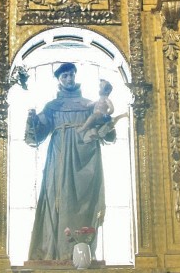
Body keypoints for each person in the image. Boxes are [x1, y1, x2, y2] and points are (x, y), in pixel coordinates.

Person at [25, 63, 114, 262]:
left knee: (83, 200)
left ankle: (82, 252)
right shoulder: (52, 107)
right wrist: (32, 120)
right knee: (57, 197)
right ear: (59, 79)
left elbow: (105, 128)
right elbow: (37, 134)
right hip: (59, 153)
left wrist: (106, 121)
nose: (69, 79)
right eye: (64, 76)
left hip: (84, 153)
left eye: (71, 75)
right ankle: (55, 251)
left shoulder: (89, 104)